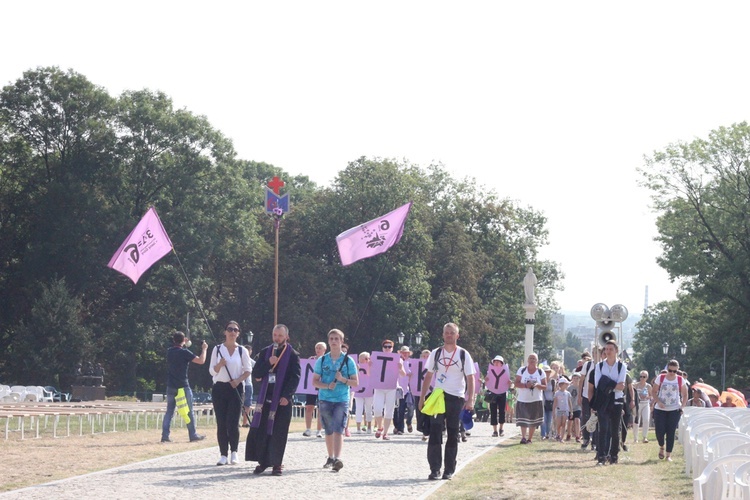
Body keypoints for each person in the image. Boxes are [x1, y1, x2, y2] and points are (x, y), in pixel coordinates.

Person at [419, 322, 476, 481]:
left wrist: (470, 399)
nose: (449, 335)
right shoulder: (436, 353)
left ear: (457, 336)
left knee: (453, 433)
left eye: (452, 333)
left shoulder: (463, 354)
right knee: (435, 432)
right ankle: (434, 469)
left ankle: (449, 469)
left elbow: (470, 378)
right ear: (443, 335)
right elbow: (429, 375)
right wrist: (423, 397)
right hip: (438, 396)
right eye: (447, 333)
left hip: (456, 397)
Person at [245, 324, 301, 476]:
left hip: (282, 400)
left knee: (278, 433)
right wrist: (268, 362)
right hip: (265, 398)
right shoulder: (265, 352)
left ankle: (277, 464)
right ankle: (263, 462)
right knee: (263, 431)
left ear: (286, 337)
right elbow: (256, 373)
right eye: (275, 335)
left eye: (280, 336)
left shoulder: (293, 355)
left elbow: (295, 378)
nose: (277, 338)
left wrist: (286, 396)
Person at [313, 329, 359, 472]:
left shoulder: (348, 361)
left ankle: (338, 458)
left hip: (341, 399)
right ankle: (330, 456)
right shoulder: (322, 360)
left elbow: (355, 382)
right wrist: (327, 385)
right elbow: (315, 381)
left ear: (341, 341)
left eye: (337, 339)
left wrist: (343, 380)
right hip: (325, 398)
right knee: (328, 429)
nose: (334, 341)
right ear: (328, 341)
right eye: (331, 338)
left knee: (338, 428)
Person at [209, 321, 252, 466]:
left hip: (236, 388)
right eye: (230, 329)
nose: (232, 332)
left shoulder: (242, 351)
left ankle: (234, 451)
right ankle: (223, 454)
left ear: (238, 333)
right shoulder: (217, 349)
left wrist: (238, 380)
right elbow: (211, 370)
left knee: (232, 422)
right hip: (220, 388)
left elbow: (248, 370)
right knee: (221, 423)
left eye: (235, 330)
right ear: (225, 332)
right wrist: (220, 365)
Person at [161, 331, 207, 443]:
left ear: (173, 340)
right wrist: (204, 349)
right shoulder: (185, 352)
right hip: (183, 386)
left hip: (171, 386)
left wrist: (182, 342)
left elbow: (177, 347)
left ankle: (165, 436)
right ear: (183, 341)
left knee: (169, 412)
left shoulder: (169, 352)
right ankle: (193, 435)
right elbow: (201, 361)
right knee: (189, 411)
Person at [588, 340, 627, 466]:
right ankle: (601, 456)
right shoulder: (599, 366)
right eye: (606, 349)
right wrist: (613, 385)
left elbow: (621, 386)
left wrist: (608, 383)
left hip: (616, 400)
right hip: (603, 400)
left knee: (615, 430)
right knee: (603, 428)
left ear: (616, 351)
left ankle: (614, 455)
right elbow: (599, 384)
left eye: (611, 349)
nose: (608, 351)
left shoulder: (622, 366)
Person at [651, 359, 688, 462]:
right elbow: (654, 392)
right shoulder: (661, 378)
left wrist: (682, 407)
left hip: (674, 409)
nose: (672, 373)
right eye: (670, 370)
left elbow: (685, 394)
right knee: (659, 431)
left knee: (671, 432)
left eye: (674, 371)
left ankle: (668, 455)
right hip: (660, 409)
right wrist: (658, 401)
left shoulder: (680, 380)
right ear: (667, 369)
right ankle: (661, 446)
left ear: (678, 370)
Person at [372, 339, 405, 440]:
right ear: (382, 348)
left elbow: (403, 375)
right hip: (379, 386)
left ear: (392, 348)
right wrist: (369, 366)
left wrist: (400, 368)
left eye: (389, 347)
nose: (387, 348)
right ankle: (379, 427)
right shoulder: (376, 358)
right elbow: (370, 373)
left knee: (389, 411)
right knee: (377, 409)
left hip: (391, 387)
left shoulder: (398, 359)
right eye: (385, 346)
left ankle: (385, 433)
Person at [514, 352, 546, 444]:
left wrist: (537, 385)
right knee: (523, 420)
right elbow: (516, 383)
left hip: (536, 399)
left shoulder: (540, 372)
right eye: (530, 358)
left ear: (537, 361)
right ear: (527, 360)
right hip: (523, 399)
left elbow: (545, 386)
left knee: (533, 420)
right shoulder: (522, 370)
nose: (532, 360)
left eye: (534, 359)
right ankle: (523, 437)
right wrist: (525, 385)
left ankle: (530, 439)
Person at [304, 342, 327, 438]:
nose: (318, 350)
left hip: (322, 387)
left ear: (324, 350)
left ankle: (319, 430)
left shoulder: (327, 360)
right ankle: (308, 429)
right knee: (309, 407)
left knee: (321, 409)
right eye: (317, 348)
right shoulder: (311, 360)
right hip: (311, 388)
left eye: (320, 348)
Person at [394, 345, 414, 434]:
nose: (405, 354)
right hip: (399, 388)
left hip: (409, 388)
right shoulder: (397, 362)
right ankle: (399, 428)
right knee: (399, 409)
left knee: (410, 409)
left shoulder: (412, 362)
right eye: (403, 352)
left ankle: (408, 422)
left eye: (407, 353)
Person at [488, 355, 508, 437]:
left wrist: (509, 383)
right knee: (493, 411)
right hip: (493, 392)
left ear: (501, 363)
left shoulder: (505, 371)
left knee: (502, 411)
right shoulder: (490, 371)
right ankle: (495, 430)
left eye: (498, 362)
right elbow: (488, 380)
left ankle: (501, 428)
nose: (496, 363)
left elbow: (508, 381)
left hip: (502, 392)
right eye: (495, 361)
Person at [353, 352, 374, 433]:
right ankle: (358, 427)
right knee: (359, 408)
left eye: (369, 358)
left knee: (369, 409)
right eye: (366, 358)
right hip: (359, 390)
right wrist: (356, 369)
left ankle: (369, 426)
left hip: (368, 390)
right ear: (360, 359)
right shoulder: (356, 366)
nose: (368, 360)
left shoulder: (371, 367)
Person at [552, 377, 573, 442]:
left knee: (564, 423)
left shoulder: (568, 393)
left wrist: (571, 411)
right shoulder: (557, 393)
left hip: (565, 410)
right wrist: (553, 411)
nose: (566, 385)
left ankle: (561, 437)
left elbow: (569, 402)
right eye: (565, 384)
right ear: (561, 385)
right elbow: (555, 403)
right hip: (559, 410)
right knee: (559, 424)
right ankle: (558, 434)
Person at [633, 370, 652, 443]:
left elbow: (651, 395)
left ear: (646, 377)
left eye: (644, 377)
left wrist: (647, 396)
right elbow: (632, 393)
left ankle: (644, 437)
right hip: (637, 404)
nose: (642, 378)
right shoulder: (636, 385)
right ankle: (635, 438)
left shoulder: (648, 386)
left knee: (646, 420)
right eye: (641, 376)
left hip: (645, 404)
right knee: (636, 421)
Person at [242, 345, 256, 427]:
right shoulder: (246, 360)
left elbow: (257, 367)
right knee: (244, 404)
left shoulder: (250, 361)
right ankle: (242, 422)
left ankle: (244, 422)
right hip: (244, 384)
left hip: (248, 384)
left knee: (247, 404)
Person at [541, 364, 556, 440]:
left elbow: (555, 392)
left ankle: (547, 434)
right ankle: (543, 434)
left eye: (548, 372)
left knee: (549, 419)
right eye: (545, 372)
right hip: (543, 402)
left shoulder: (553, 382)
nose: (547, 373)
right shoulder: (541, 381)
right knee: (543, 419)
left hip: (551, 402)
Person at [567, 372, 582, 442]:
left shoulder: (581, 388)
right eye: (574, 378)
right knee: (570, 421)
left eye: (577, 378)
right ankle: (568, 434)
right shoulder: (569, 388)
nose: (576, 380)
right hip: (570, 407)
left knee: (577, 420)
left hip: (578, 406)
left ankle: (577, 436)